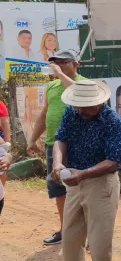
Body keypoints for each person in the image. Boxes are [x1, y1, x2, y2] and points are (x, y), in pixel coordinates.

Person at [50, 79, 121, 261]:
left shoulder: (113, 123)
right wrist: (57, 164)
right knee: (71, 235)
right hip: (73, 179)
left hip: (100, 182)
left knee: (99, 238)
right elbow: (60, 139)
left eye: (87, 106)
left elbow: (113, 161)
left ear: (100, 102)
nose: (81, 110)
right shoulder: (72, 113)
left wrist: (83, 175)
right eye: (79, 105)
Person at [27, 50, 86, 246]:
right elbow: (44, 114)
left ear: (75, 64)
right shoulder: (51, 86)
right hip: (54, 144)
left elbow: (79, 95)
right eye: (55, 63)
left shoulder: (84, 83)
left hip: (79, 144)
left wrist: (60, 74)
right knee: (58, 188)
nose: (58, 66)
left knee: (82, 189)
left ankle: (88, 232)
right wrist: (32, 139)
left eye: (63, 63)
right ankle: (65, 230)